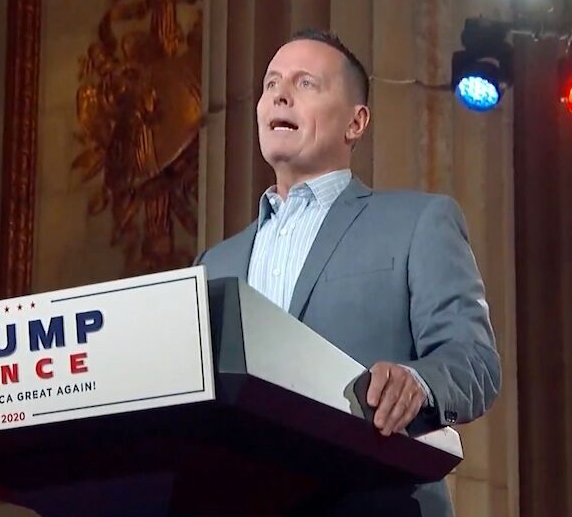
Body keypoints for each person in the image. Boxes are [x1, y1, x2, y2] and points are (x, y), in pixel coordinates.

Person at [194, 28, 501, 517]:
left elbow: (476, 361)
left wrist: (418, 381)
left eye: (306, 83)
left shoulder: (418, 223)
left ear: (356, 123)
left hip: (375, 500)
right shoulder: (214, 263)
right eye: (271, 82)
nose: (279, 93)